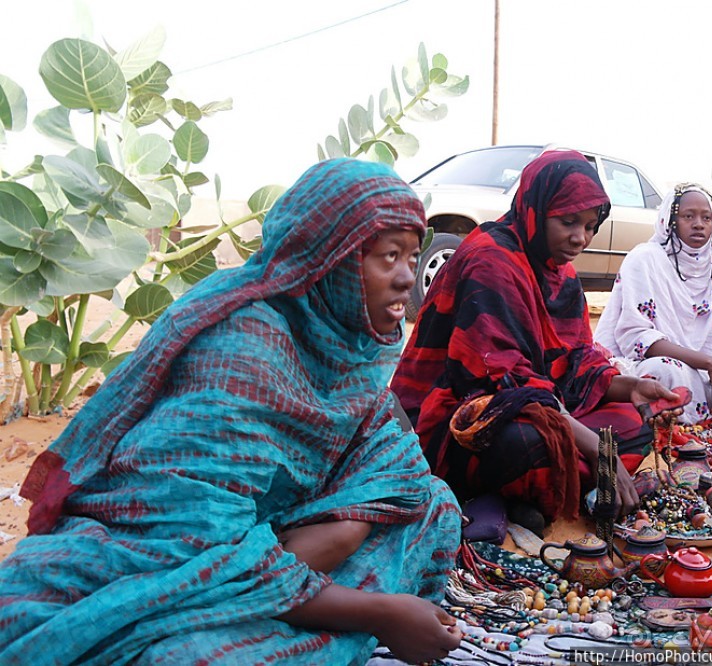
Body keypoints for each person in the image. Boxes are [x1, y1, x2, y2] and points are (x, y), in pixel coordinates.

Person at [0, 159, 462, 665]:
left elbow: (396, 466)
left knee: (435, 505)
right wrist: (379, 615)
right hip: (165, 545)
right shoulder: (245, 349)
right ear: (327, 258)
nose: (404, 280)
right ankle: (281, 601)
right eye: (387, 257)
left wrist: (345, 527)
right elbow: (196, 538)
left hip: (274, 533)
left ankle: (279, 591)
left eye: (412, 257)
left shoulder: (348, 344)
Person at [391, 149, 680, 530]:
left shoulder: (562, 274)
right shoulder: (490, 260)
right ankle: (539, 486)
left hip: (541, 404)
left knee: (636, 420)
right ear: (535, 210)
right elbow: (500, 384)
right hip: (459, 416)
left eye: (591, 225)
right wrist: (594, 448)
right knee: (530, 444)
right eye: (568, 222)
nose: (581, 238)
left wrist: (628, 387)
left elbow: (575, 361)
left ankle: (530, 491)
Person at [594, 182, 712, 424]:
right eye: (688, 216)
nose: (699, 224)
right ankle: (699, 408)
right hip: (655, 365)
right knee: (664, 372)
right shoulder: (644, 259)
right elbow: (636, 337)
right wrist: (710, 363)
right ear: (670, 220)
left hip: (703, 376)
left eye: (707, 218)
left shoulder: (711, 269)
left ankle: (695, 409)